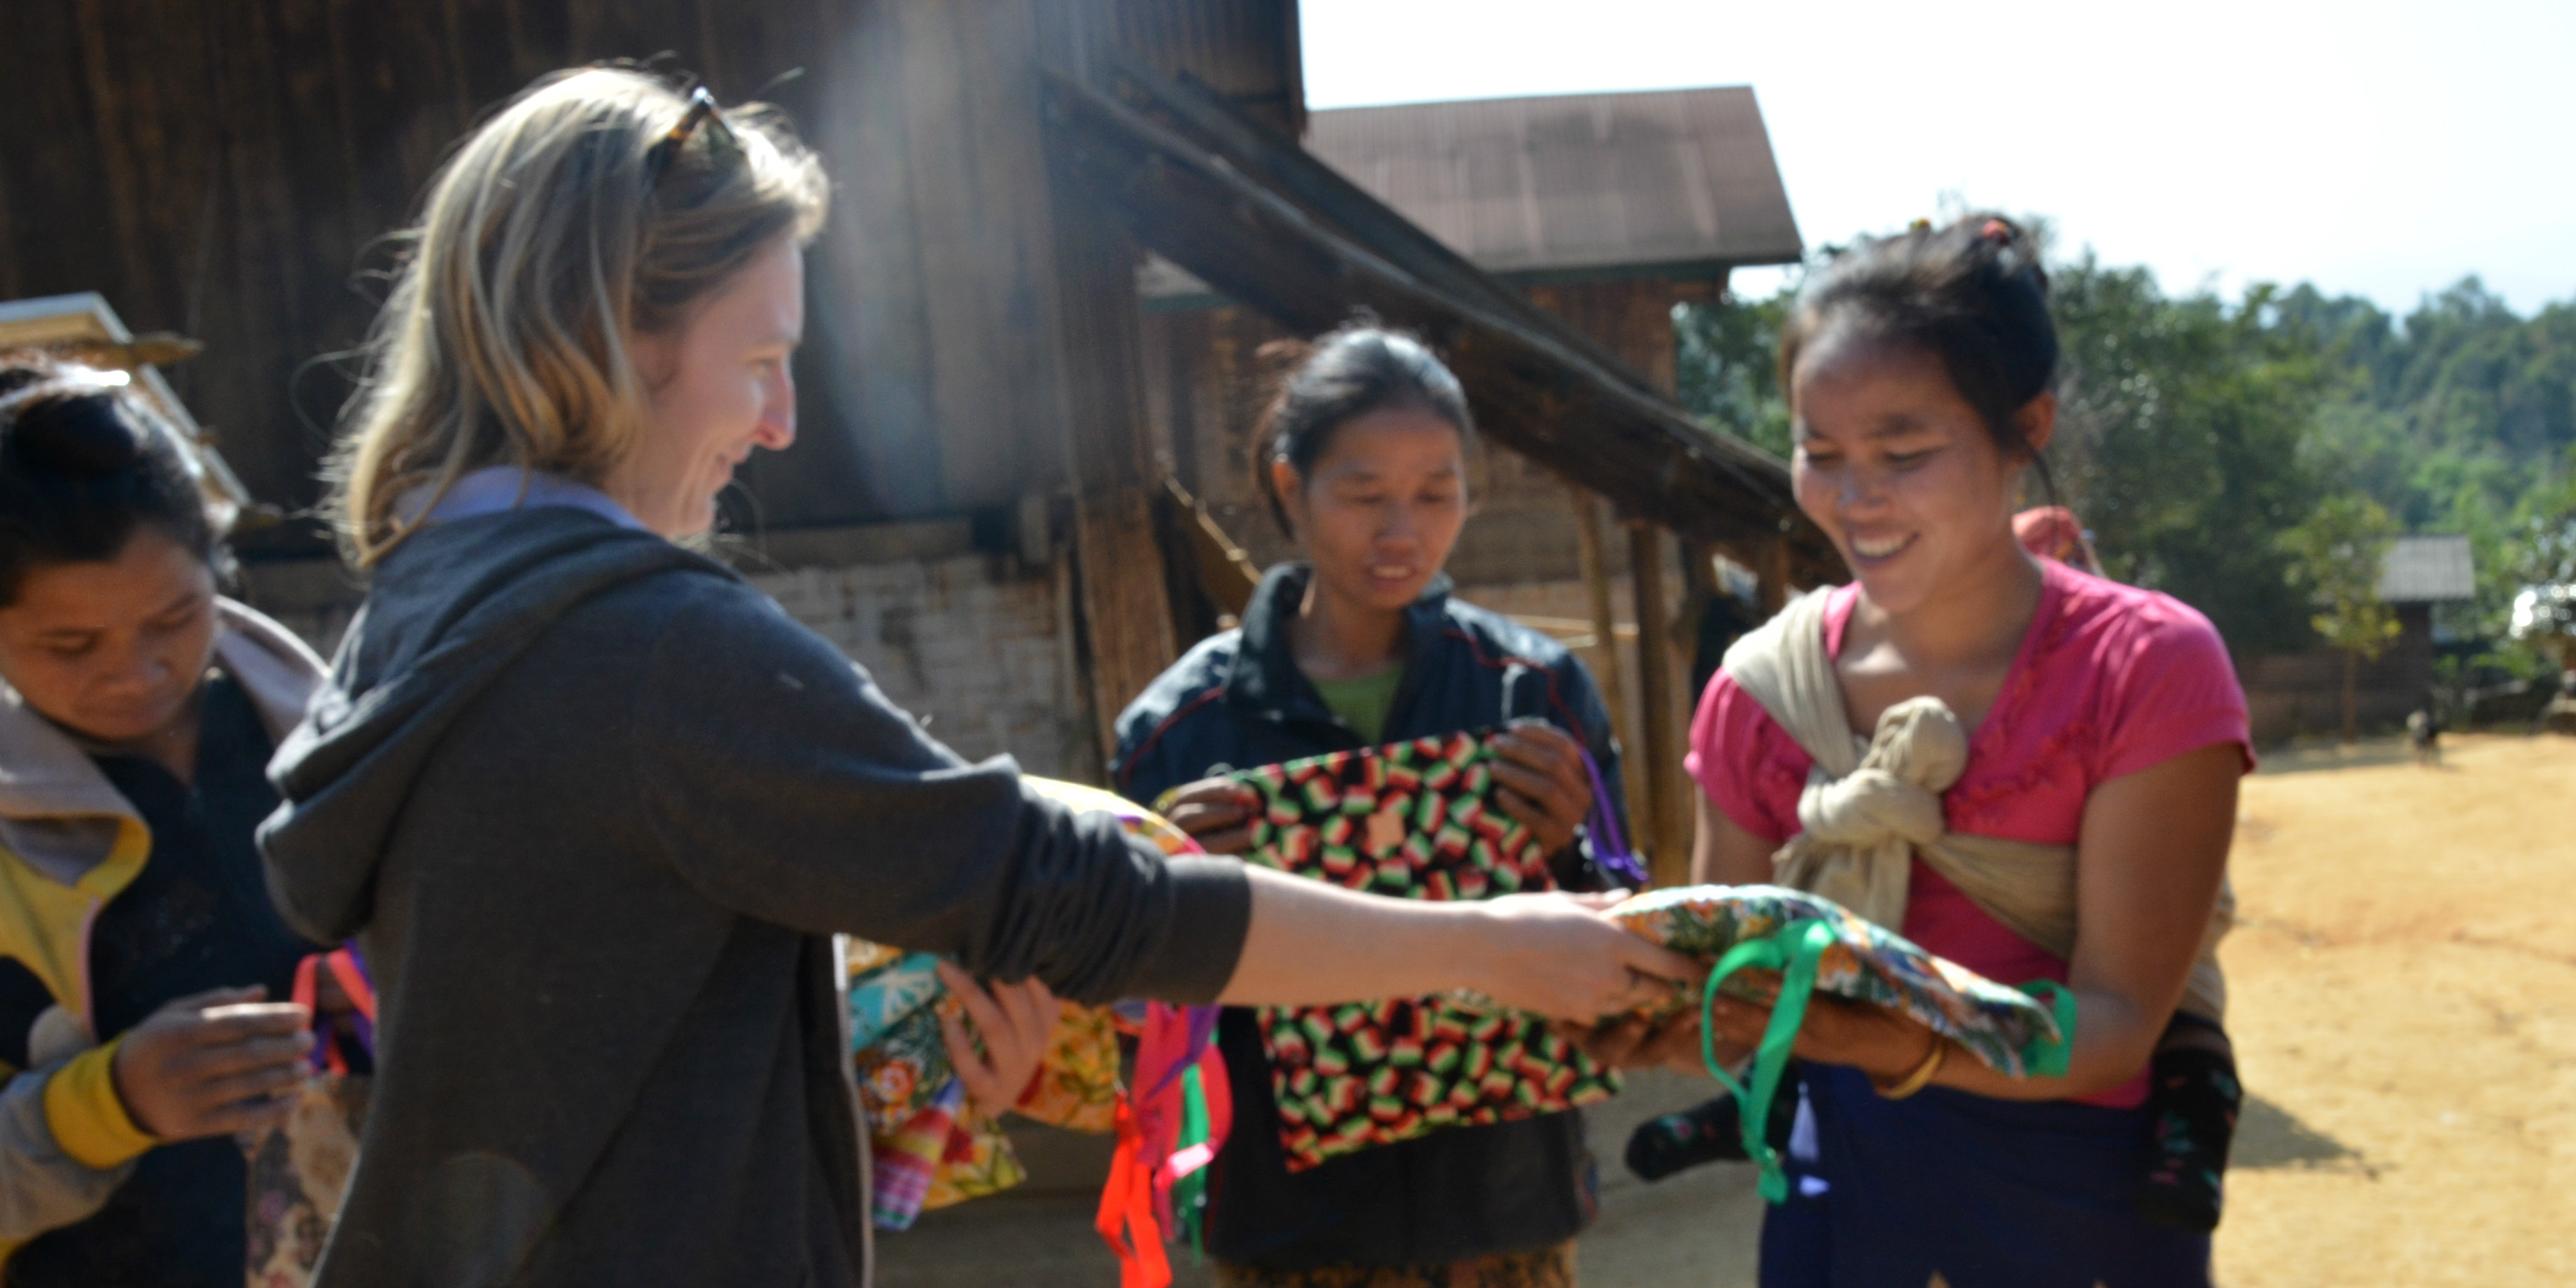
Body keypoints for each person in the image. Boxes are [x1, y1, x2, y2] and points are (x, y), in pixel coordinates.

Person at [254, 69, 1695, 1288]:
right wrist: (1490, 945)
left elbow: (585, 1034)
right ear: (610, 340)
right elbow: (1088, 896)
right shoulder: (646, 649)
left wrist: (868, 1060)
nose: (781, 420)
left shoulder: (426, 611)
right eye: (759, 357)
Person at [1600, 216, 2249, 1286]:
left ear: (2022, 428)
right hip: (1844, 1198)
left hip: (2080, 1205)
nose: (1856, 500)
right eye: (1820, 456)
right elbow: (1741, 979)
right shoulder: (1762, 694)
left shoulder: (2145, 671)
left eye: (1903, 455)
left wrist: (1874, 1038)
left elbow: (2119, 1023)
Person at [1114, 326, 1634, 1288]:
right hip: (1283, 1225)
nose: (1402, 531)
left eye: (1436, 494)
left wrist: (1570, 853)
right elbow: (1121, 1006)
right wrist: (1164, 893)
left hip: (1503, 1209)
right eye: (1364, 495)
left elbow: (1631, 938)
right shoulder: (1178, 732)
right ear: (1287, 486)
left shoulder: (1535, 693)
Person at [0, 353, 334, 1285]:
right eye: (70, 644)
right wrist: (108, 1104)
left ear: (218, 564)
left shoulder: (333, 743)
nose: (138, 672)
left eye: (176, 618)